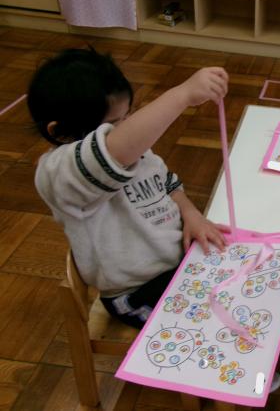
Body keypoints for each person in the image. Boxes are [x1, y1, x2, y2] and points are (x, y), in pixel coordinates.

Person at [29, 48, 229, 329]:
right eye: (113, 125)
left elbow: (167, 183)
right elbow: (115, 150)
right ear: (61, 133)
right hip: (136, 292)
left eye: (128, 117)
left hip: (179, 264)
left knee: (242, 291)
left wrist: (191, 214)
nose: (128, 129)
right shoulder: (60, 173)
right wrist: (182, 94)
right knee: (210, 327)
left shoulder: (136, 152)